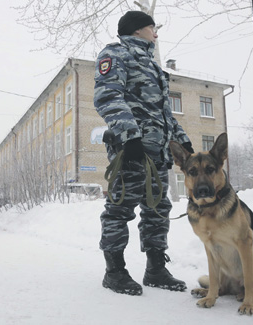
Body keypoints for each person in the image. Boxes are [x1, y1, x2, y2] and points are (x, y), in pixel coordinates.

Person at [93, 10, 194, 296]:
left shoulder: (152, 65)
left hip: (158, 153)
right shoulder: (116, 54)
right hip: (131, 151)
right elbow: (107, 96)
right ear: (138, 30)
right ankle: (114, 272)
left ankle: (155, 269)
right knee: (120, 209)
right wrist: (130, 136)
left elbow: (162, 114)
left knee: (158, 210)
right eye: (153, 28)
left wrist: (183, 142)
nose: (156, 34)